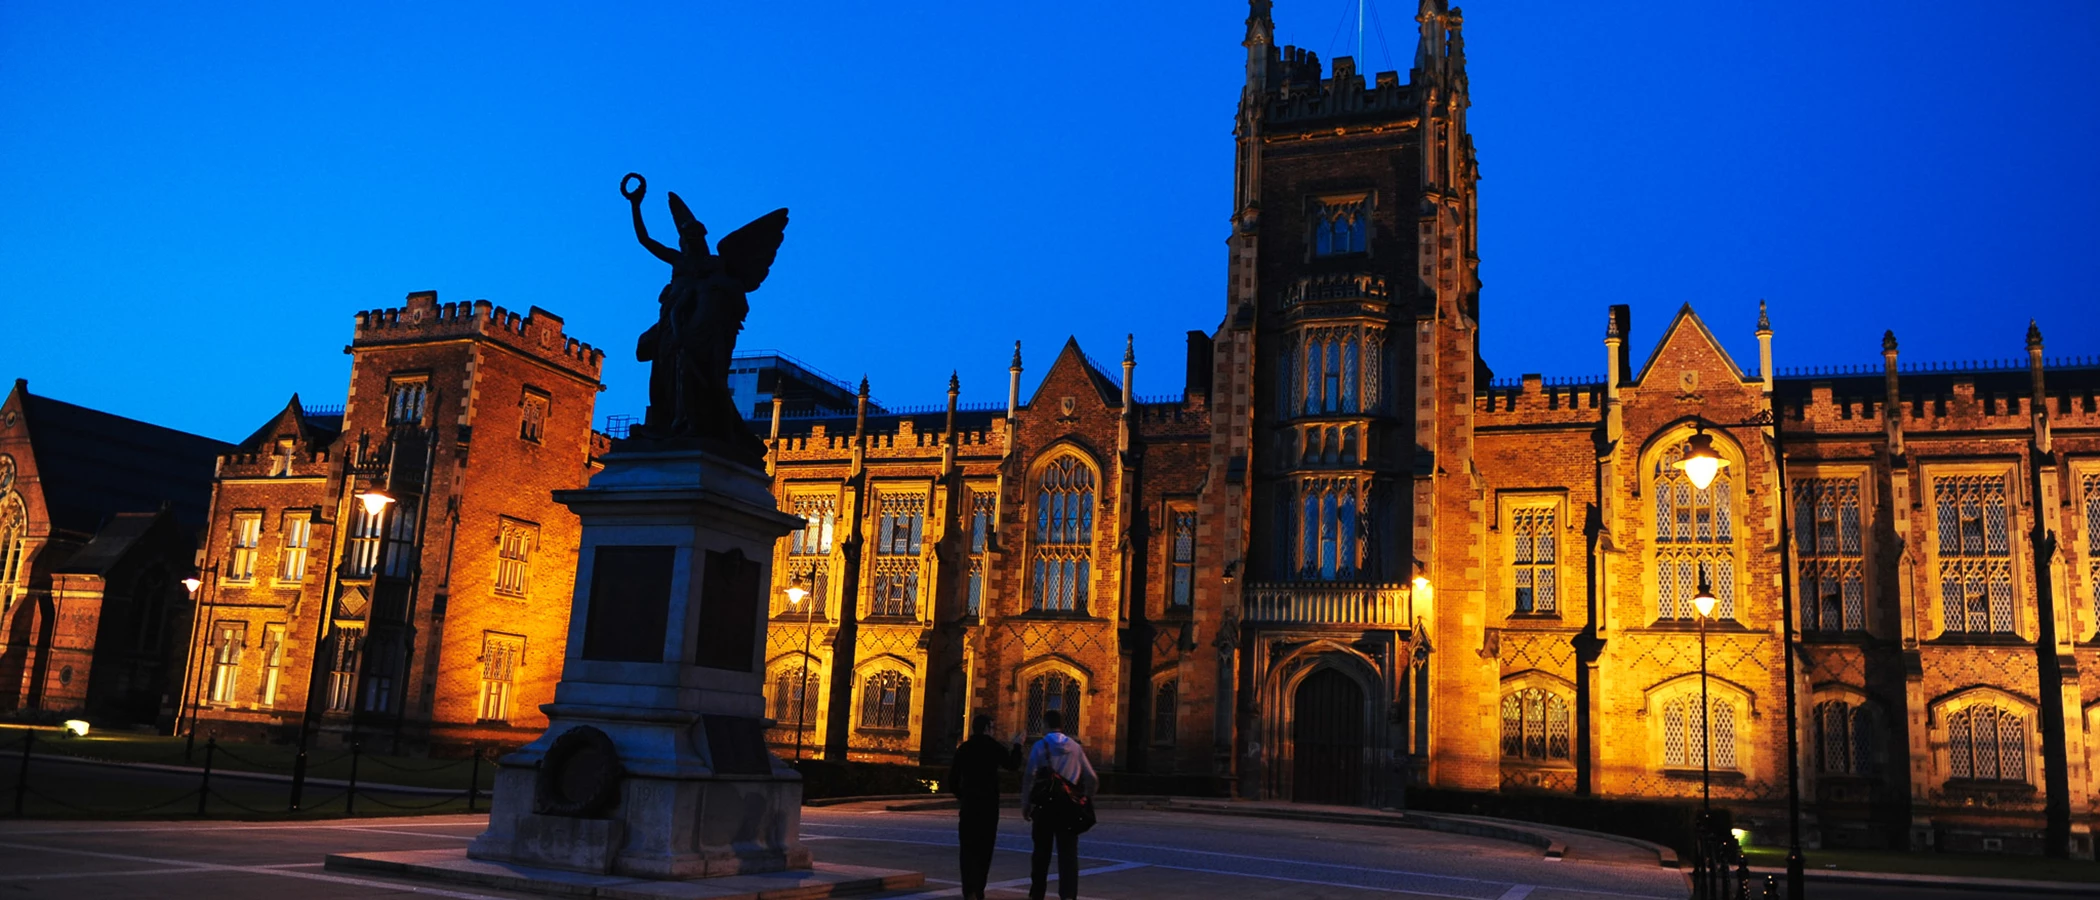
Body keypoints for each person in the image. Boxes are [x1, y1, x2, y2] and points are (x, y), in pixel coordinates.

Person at [1020, 709, 1097, 900]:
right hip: (1068, 809)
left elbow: (1029, 776)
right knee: (1068, 855)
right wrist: (1086, 798)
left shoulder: (1040, 746)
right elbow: (1092, 778)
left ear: (1045, 725)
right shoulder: (1075, 747)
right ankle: (1068, 896)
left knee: (1041, 854)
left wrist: (1025, 803)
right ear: (1062, 725)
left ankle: (1037, 894)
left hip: (1045, 807)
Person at [947, 715, 1022, 900]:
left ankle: (968, 889)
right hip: (988, 805)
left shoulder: (964, 748)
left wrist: (962, 795)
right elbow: (1012, 765)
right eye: (992, 726)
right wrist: (1018, 745)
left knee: (967, 849)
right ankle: (979, 888)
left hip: (970, 804)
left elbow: (952, 779)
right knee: (984, 849)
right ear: (987, 727)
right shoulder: (993, 747)